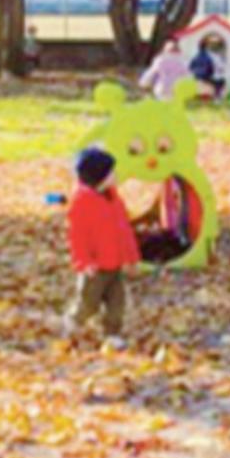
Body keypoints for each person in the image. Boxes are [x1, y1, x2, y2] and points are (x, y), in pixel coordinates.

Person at [64, 147, 140, 351]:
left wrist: (132, 258)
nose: (115, 176)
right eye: (111, 173)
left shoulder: (114, 200)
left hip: (115, 265)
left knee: (117, 303)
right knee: (89, 302)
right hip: (95, 268)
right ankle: (74, 320)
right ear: (99, 178)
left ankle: (112, 333)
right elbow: (77, 237)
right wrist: (83, 262)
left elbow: (125, 231)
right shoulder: (82, 204)